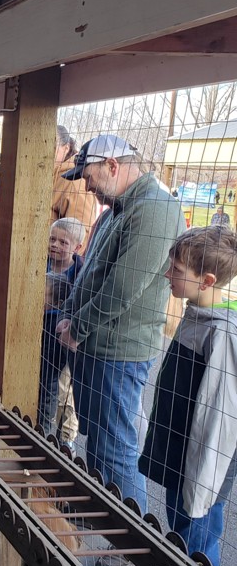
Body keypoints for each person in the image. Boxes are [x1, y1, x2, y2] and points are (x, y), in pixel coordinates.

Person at [55, 134, 185, 514]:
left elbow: (122, 288)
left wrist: (77, 327)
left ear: (113, 165)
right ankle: (101, 526)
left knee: (116, 451)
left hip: (117, 353)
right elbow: (95, 273)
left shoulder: (154, 208)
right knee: (101, 443)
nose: (87, 186)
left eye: (91, 177)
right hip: (99, 348)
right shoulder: (122, 207)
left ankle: (125, 553)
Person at [139, 226, 237, 566]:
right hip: (181, 462)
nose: (168, 274)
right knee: (184, 535)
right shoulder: (196, 315)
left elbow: (218, 420)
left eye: (177, 271)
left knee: (194, 546)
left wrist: (200, 486)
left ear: (207, 280)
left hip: (199, 472)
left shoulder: (220, 333)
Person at [40, 218, 86, 445]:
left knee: (64, 391)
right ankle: (44, 428)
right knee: (45, 386)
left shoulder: (80, 274)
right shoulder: (40, 264)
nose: (55, 245)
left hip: (64, 338)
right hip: (41, 333)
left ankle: (66, 438)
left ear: (77, 247)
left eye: (63, 242)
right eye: (52, 239)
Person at [52, 125, 98, 250]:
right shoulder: (50, 176)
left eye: (52, 147)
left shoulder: (73, 181)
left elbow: (81, 232)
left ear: (66, 148)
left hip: (58, 263)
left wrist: (67, 268)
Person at [40, 272, 73, 436]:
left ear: (57, 303)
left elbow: (54, 358)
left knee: (42, 420)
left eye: (43, 294)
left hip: (46, 386)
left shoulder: (53, 326)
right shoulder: (43, 318)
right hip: (39, 380)